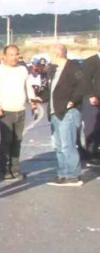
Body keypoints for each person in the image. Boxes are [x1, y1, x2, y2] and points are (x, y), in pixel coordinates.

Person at [0, 45, 37, 181]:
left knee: (17, 141)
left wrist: (32, 102)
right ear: (4, 56)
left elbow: (28, 87)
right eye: (11, 55)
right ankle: (3, 170)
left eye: (16, 54)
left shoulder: (22, 70)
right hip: (5, 111)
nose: (14, 57)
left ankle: (15, 170)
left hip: (20, 110)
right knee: (6, 141)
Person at [41, 44, 86, 186]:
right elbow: (51, 89)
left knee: (68, 145)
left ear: (57, 54)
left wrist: (72, 101)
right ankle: (63, 174)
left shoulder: (73, 68)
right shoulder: (54, 70)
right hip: (55, 112)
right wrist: (40, 98)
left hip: (68, 112)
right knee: (59, 146)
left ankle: (73, 175)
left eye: (51, 54)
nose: (50, 57)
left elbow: (83, 86)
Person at [81, 49, 100, 167]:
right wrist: (91, 95)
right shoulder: (90, 61)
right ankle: (91, 154)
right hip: (92, 100)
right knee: (92, 126)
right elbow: (85, 81)